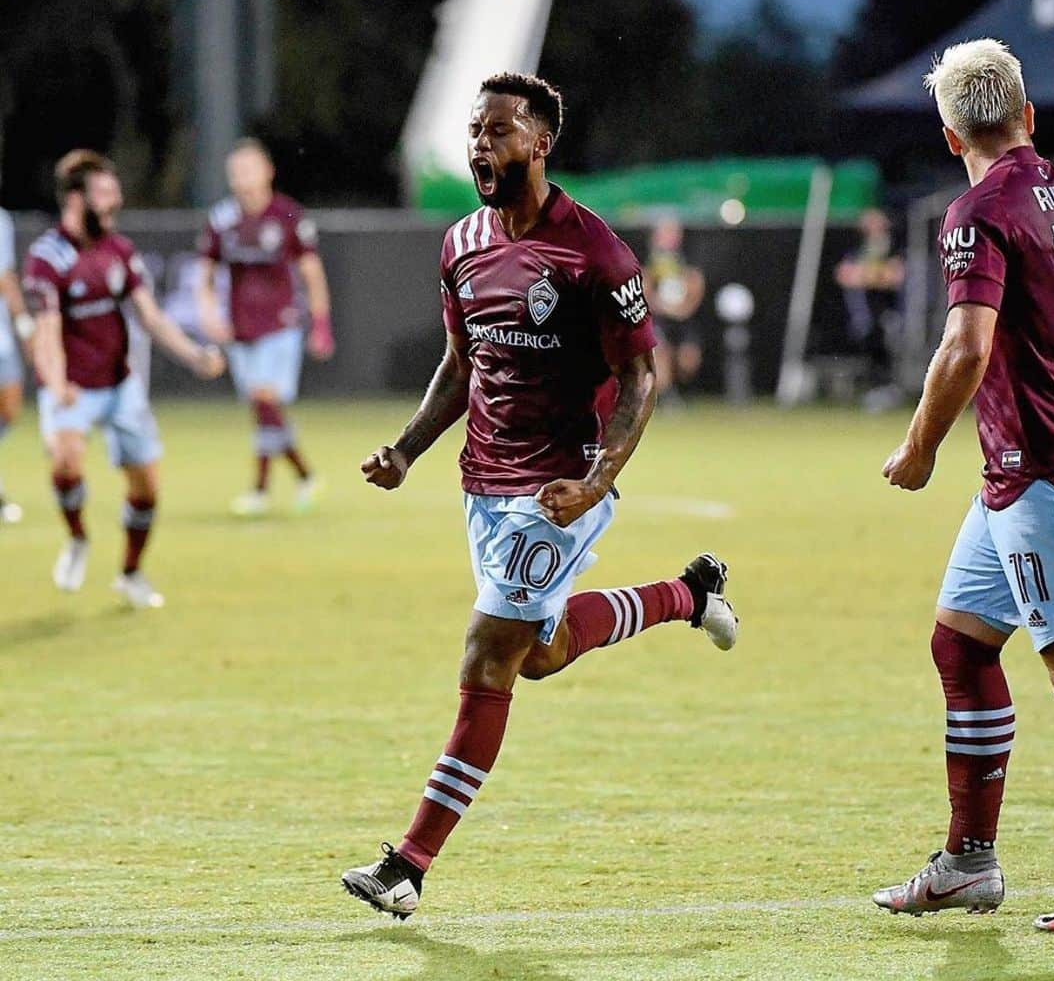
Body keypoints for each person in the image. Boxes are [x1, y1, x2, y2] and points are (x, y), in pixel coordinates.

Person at [341, 73, 740, 919]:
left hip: (560, 489)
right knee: (542, 654)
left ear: (540, 141)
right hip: (482, 484)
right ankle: (687, 594)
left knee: (487, 658)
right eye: (474, 131)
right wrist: (408, 450)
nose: (481, 145)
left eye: (498, 131)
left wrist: (596, 484)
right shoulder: (461, 244)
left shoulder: (596, 253)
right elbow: (461, 364)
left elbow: (640, 378)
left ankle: (408, 865)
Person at [874, 40, 1054, 933]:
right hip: (1014, 474)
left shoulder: (978, 208)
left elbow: (967, 345)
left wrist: (918, 447)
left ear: (949, 129)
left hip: (1045, 471)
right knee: (960, 645)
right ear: (1027, 115)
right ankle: (968, 864)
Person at [23, 150, 225, 608]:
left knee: (147, 487)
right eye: (105, 194)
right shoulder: (47, 258)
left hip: (118, 385)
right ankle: (77, 538)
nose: (114, 203)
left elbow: (150, 318)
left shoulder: (119, 250)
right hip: (72, 385)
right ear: (76, 199)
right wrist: (56, 385)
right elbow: (48, 332)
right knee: (66, 461)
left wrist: (195, 355)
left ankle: (131, 573)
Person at [197, 138, 334, 517]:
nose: (243, 179)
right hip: (241, 330)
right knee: (264, 409)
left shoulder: (288, 214)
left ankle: (259, 491)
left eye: (250, 169)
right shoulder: (222, 220)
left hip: (281, 324)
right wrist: (208, 313)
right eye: (236, 172)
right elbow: (204, 274)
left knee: (264, 397)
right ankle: (305, 477)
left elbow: (311, 272)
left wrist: (320, 324)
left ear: (268, 171)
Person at [833, 208, 905, 410]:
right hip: (861, 315)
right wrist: (872, 274)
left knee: (883, 349)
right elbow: (843, 274)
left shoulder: (893, 247)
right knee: (865, 350)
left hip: (886, 313)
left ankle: (886, 391)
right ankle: (870, 391)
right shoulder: (858, 248)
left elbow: (893, 276)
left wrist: (865, 275)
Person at [642, 216, 706, 405]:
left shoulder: (688, 258)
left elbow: (696, 284)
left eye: (673, 233)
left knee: (689, 361)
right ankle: (667, 397)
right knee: (661, 353)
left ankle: (686, 391)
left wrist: (683, 308)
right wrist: (659, 305)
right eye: (664, 233)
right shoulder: (646, 259)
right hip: (658, 316)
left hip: (683, 316)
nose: (669, 237)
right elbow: (643, 288)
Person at [0, 206, 34, 522]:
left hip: (2, 335)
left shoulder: (3, 220)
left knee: (9, 409)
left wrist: (23, 323)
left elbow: (6, 277)